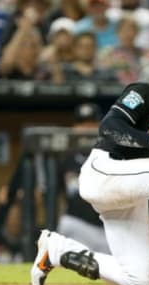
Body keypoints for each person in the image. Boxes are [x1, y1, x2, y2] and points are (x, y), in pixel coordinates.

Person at [31, 32, 149, 285]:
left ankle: (57, 250)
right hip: (104, 172)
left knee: (136, 280)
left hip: (129, 192)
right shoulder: (147, 90)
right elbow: (109, 127)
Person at [56, 103, 109, 254]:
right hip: (79, 226)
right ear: (74, 127)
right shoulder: (65, 158)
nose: (86, 128)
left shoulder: (112, 154)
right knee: (66, 224)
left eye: (92, 123)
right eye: (82, 124)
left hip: (109, 229)